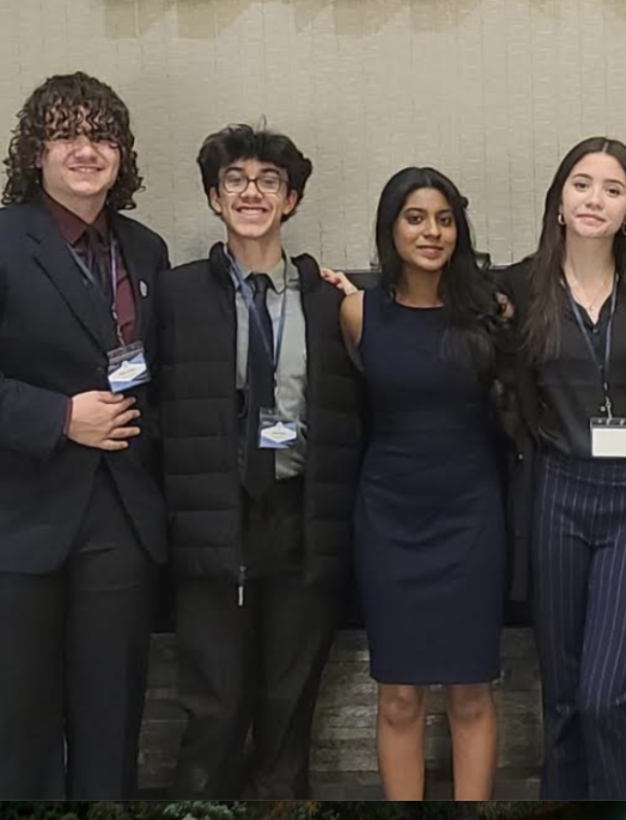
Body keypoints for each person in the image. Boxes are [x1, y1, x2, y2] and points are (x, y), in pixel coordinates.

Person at [0, 72, 168, 798]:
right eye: (66, 134)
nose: (85, 149)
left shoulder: (143, 249)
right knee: (24, 739)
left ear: (121, 152)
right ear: (35, 151)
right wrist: (60, 417)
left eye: (101, 134)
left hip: (118, 522)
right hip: (12, 528)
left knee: (112, 732)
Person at [157, 124, 362, 798]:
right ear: (215, 198)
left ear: (292, 200)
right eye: (236, 181)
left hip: (300, 518)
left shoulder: (330, 300)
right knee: (212, 710)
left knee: (288, 707)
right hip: (213, 518)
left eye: (268, 181)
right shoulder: (177, 295)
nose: (252, 192)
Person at [499, 136, 626, 800]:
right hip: (558, 489)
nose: (594, 198)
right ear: (557, 202)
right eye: (581, 183)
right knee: (564, 697)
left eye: (612, 188)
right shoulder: (518, 288)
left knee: (606, 696)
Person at [338, 167, 509, 800]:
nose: (431, 232)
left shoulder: (487, 310)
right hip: (388, 515)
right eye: (415, 218)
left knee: (471, 690)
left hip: (470, 513)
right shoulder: (358, 311)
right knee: (399, 694)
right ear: (390, 227)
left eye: (443, 218)